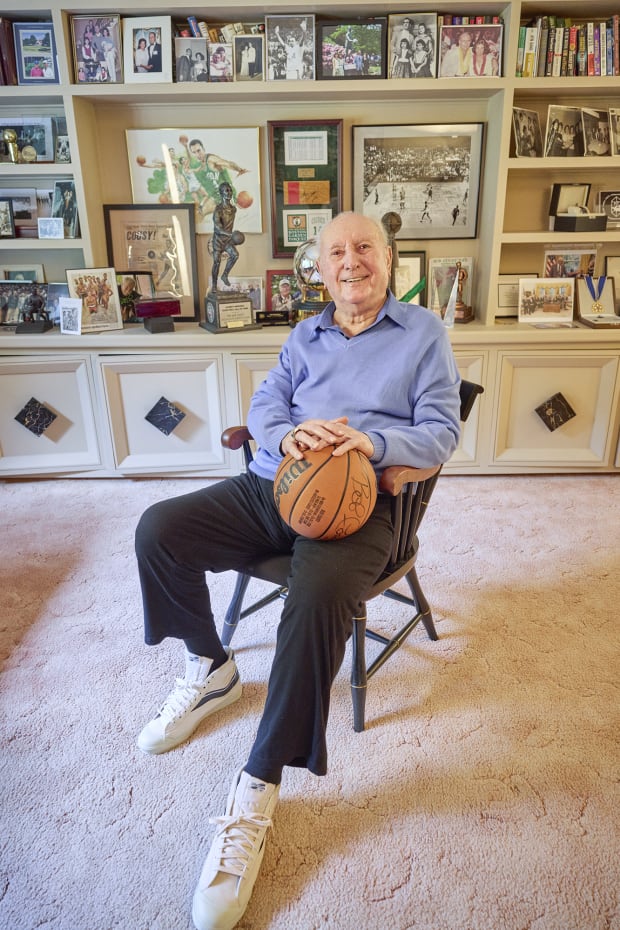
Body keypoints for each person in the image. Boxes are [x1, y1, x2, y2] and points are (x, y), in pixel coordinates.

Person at [134, 211, 460, 930]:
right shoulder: (303, 336)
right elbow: (265, 408)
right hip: (283, 483)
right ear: (320, 267)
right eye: (336, 252)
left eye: (365, 248)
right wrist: (289, 438)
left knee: (311, 602)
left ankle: (256, 788)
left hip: (363, 499)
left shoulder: (423, 335)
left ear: (390, 258)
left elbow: (440, 430)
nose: (351, 262)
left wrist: (363, 440)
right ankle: (212, 668)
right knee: (160, 529)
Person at [210, 182, 240, 290]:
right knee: (217, 262)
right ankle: (214, 285)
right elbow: (217, 228)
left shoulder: (233, 209)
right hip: (218, 240)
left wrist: (234, 236)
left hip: (227, 241)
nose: (229, 192)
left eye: (230, 190)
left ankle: (224, 275)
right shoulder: (218, 210)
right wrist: (231, 234)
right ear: (221, 193)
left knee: (235, 255)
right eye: (226, 190)